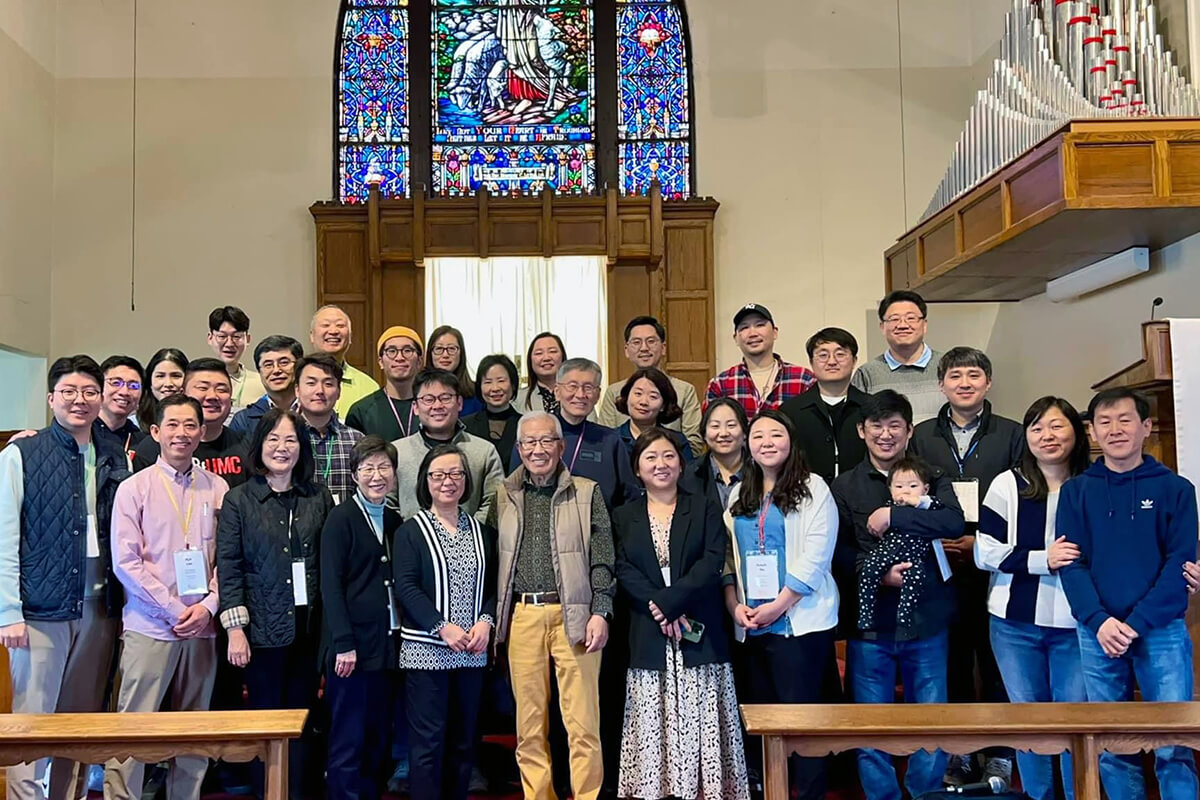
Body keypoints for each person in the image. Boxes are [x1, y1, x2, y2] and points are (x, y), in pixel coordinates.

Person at [1059, 388, 1199, 800]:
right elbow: (1071, 562)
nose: (1115, 429)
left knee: (1174, 742)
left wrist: (1135, 624)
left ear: (1146, 427)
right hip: (1097, 631)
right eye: (1104, 421)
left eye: (1124, 419)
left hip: (1161, 631)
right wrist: (1099, 621)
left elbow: (1180, 564)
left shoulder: (1176, 488)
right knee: (1112, 744)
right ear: (1093, 431)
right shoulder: (1077, 491)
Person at [0, 356, 130, 800]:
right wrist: (8, 612)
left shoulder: (113, 451)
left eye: (90, 392)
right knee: (32, 724)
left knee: (80, 724)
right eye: (69, 392)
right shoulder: (22, 453)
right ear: (52, 397)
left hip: (100, 608)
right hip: (40, 608)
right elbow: (4, 537)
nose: (80, 401)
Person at [831, 390, 964, 800]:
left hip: (927, 619)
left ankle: (925, 792)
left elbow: (952, 522)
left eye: (894, 426)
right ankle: (881, 795)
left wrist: (894, 514)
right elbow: (838, 551)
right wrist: (879, 574)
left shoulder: (935, 476)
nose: (885, 434)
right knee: (871, 721)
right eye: (876, 425)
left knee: (932, 717)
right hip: (870, 624)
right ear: (861, 430)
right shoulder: (845, 485)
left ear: (908, 431)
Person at [614, 428, 748, 800]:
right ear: (637, 468)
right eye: (651, 458)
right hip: (649, 624)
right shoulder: (624, 515)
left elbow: (711, 561)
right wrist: (660, 607)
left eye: (669, 456)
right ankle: (657, 788)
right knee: (652, 709)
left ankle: (703, 788)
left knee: (700, 706)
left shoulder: (703, 504)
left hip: (696, 616)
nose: (661, 464)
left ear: (681, 463)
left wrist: (674, 602)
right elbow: (623, 568)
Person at [105, 394, 228, 800]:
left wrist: (208, 605)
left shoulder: (218, 487)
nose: (182, 433)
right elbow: (126, 562)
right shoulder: (134, 488)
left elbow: (228, 557)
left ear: (202, 431)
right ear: (155, 432)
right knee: (135, 728)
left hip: (203, 628)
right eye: (172, 424)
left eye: (190, 425)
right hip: (150, 626)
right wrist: (175, 608)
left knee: (193, 729)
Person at [909, 346, 1022, 786]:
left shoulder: (1012, 433)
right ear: (941, 384)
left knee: (996, 661)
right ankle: (959, 753)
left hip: (994, 562)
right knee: (951, 662)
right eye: (954, 376)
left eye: (973, 375)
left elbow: (1019, 498)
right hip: (940, 563)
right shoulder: (922, 436)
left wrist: (983, 541)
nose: (964, 383)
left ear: (987, 383)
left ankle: (1000, 753)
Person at [488, 411, 615, 800]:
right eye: (529, 442)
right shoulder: (502, 495)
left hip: (574, 614)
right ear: (519, 448)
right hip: (522, 615)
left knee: (582, 723)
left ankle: (588, 795)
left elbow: (603, 556)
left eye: (547, 441)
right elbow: (491, 557)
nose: (538, 449)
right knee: (528, 725)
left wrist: (601, 609)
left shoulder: (586, 491)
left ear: (561, 446)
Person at [975, 396, 1091, 800]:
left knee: (1072, 718)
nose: (1047, 436)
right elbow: (984, 551)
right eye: (1037, 427)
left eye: (1057, 426)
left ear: (1077, 431)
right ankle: (1039, 795)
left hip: (1079, 624)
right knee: (1029, 720)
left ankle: (1078, 793)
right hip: (1014, 623)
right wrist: (1045, 559)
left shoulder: (1094, 482)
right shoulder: (1009, 483)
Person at [216, 408, 334, 800]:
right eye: (273, 440)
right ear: (259, 445)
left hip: (309, 629)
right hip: (261, 631)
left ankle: (300, 791)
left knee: (304, 717)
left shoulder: (319, 497)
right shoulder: (239, 501)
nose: (282, 448)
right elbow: (229, 568)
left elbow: (329, 564)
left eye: (290, 440)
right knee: (265, 718)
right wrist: (235, 630)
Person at [723, 410, 838, 800]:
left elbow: (817, 556)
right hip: (751, 623)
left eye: (776, 434)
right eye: (758, 435)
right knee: (761, 715)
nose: (766, 442)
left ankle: (808, 792)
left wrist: (780, 605)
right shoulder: (740, 492)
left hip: (798, 621)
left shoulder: (814, 487)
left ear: (791, 442)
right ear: (747, 444)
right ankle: (770, 789)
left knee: (801, 717)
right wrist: (735, 605)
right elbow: (730, 555)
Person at [393, 444, 498, 800]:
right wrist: (442, 626)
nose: (447, 482)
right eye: (438, 475)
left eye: (456, 474)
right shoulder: (411, 531)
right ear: (426, 481)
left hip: (471, 651)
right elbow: (406, 588)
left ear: (466, 481)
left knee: (464, 740)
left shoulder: (481, 532)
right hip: (428, 653)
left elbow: (493, 585)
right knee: (428, 744)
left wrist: (485, 622)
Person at [320, 436, 403, 800]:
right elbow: (331, 586)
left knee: (377, 734)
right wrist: (343, 644)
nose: (376, 475)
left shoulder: (396, 519)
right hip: (351, 649)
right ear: (354, 475)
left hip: (387, 645)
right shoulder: (341, 518)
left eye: (384, 467)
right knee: (348, 736)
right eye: (367, 468)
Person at [509, 358, 640, 510]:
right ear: (557, 392)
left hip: (598, 529)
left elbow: (629, 498)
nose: (580, 394)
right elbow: (514, 487)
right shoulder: (533, 435)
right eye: (572, 386)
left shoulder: (610, 441)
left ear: (597, 395)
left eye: (588, 387)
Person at [392, 369, 503, 522]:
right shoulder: (397, 452)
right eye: (428, 399)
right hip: (411, 542)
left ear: (459, 403)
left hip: (471, 541)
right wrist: (411, 533)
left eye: (445, 398)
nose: (437, 406)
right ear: (415, 407)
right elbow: (387, 503)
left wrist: (468, 532)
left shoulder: (484, 451)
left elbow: (494, 501)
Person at [133, 358, 250, 488]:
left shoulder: (245, 447)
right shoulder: (153, 447)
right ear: (183, 393)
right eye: (202, 388)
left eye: (222, 389)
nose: (212, 396)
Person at [857, 457, 942, 632]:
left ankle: (904, 613)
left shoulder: (927, 506)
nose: (906, 491)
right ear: (890, 489)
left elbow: (938, 506)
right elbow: (875, 526)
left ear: (925, 489)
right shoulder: (888, 507)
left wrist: (917, 501)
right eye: (899, 487)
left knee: (917, 576)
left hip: (913, 556)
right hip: (887, 551)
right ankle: (866, 613)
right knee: (869, 569)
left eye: (913, 486)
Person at [596, 316, 702, 452]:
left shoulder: (685, 390)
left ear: (663, 348)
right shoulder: (614, 392)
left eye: (651, 341)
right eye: (636, 342)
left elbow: (694, 443)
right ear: (626, 350)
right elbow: (605, 440)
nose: (644, 348)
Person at [779, 327, 868, 483]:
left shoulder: (870, 408)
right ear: (811, 362)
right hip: (806, 499)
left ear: (854, 360)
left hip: (861, 499)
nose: (832, 361)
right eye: (823, 355)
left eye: (840, 354)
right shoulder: (790, 411)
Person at [704, 304, 815, 419]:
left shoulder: (804, 379)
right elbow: (711, 430)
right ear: (736, 338)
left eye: (760, 325)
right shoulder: (720, 384)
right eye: (744, 328)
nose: (752, 333)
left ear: (775, 332)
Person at [851, 290, 944, 425]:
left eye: (911, 318)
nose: (902, 325)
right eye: (894, 319)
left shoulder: (947, 366)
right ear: (882, 327)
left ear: (924, 325)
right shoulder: (867, 374)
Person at [295, 354, 365, 504]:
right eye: (311, 383)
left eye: (328, 384)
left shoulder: (356, 440)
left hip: (344, 525)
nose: (320, 390)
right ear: (297, 390)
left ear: (339, 391)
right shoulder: (285, 438)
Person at [347, 326, 424, 441]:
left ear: (419, 361)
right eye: (391, 351)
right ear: (381, 362)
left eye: (407, 350)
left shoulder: (432, 406)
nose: (399, 357)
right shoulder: (361, 412)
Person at [309, 305, 381, 418]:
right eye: (325, 325)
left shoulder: (369, 386)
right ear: (312, 336)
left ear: (350, 337)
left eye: (340, 325)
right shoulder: (297, 382)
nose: (333, 331)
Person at [613, 367, 694, 463]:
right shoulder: (612, 440)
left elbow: (687, 475)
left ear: (663, 405)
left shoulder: (677, 441)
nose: (643, 402)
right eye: (638, 394)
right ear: (626, 398)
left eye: (653, 396)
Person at [229, 335, 304, 437]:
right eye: (268, 365)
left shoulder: (316, 411)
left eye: (284, 362)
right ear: (259, 371)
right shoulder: (244, 420)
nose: (276, 370)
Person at [687, 397, 748, 511]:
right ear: (704, 434)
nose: (724, 433)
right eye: (715, 426)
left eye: (731, 425)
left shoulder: (761, 472)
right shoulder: (689, 476)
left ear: (744, 432)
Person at [463, 354, 522, 465]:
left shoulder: (524, 425)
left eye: (501, 381)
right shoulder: (466, 426)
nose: (495, 388)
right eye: (488, 382)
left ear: (513, 385)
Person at [207, 305, 265, 417]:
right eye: (222, 336)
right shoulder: (198, 381)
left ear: (247, 339)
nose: (229, 344)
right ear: (210, 338)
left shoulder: (261, 383)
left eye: (237, 336)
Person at [95, 355, 147, 465]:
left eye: (133, 385)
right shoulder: (81, 433)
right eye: (115, 383)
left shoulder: (143, 443)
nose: (124, 392)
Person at [426, 325, 482, 417]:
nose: (445, 355)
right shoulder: (420, 392)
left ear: (461, 353)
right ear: (430, 353)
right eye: (439, 349)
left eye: (451, 349)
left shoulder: (477, 393)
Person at [137, 348, 188, 433]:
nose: (168, 384)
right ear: (150, 382)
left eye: (176, 376)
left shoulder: (199, 422)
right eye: (160, 376)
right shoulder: (133, 425)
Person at [515, 332, 565, 415]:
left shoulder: (578, 395)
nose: (546, 358)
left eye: (552, 351)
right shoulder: (518, 398)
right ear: (530, 360)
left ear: (562, 356)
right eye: (538, 353)